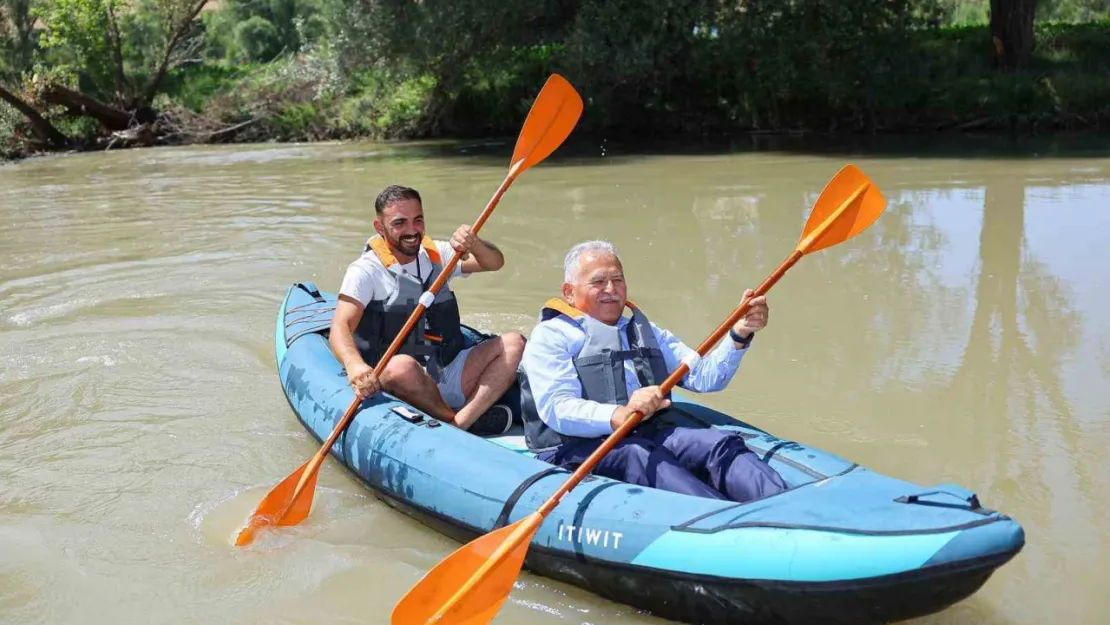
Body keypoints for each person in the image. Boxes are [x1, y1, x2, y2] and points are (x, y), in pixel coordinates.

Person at [518, 240, 788, 502]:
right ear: (569, 292)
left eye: (618, 280)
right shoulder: (552, 335)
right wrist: (619, 415)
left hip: (646, 431)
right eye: (599, 282)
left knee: (719, 444)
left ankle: (785, 505)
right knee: (640, 456)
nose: (611, 289)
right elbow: (557, 408)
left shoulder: (645, 331)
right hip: (576, 447)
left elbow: (705, 378)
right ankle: (729, 522)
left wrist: (739, 333)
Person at [329, 185, 524, 436]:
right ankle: (461, 420)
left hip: (446, 368)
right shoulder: (365, 271)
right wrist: (355, 365)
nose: (412, 231)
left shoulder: (437, 254)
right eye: (400, 223)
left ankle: (461, 423)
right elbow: (340, 326)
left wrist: (474, 244)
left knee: (514, 343)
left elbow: (494, 263)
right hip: (401, 378)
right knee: (402, 367)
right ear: (379, 228)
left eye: (418, 220)